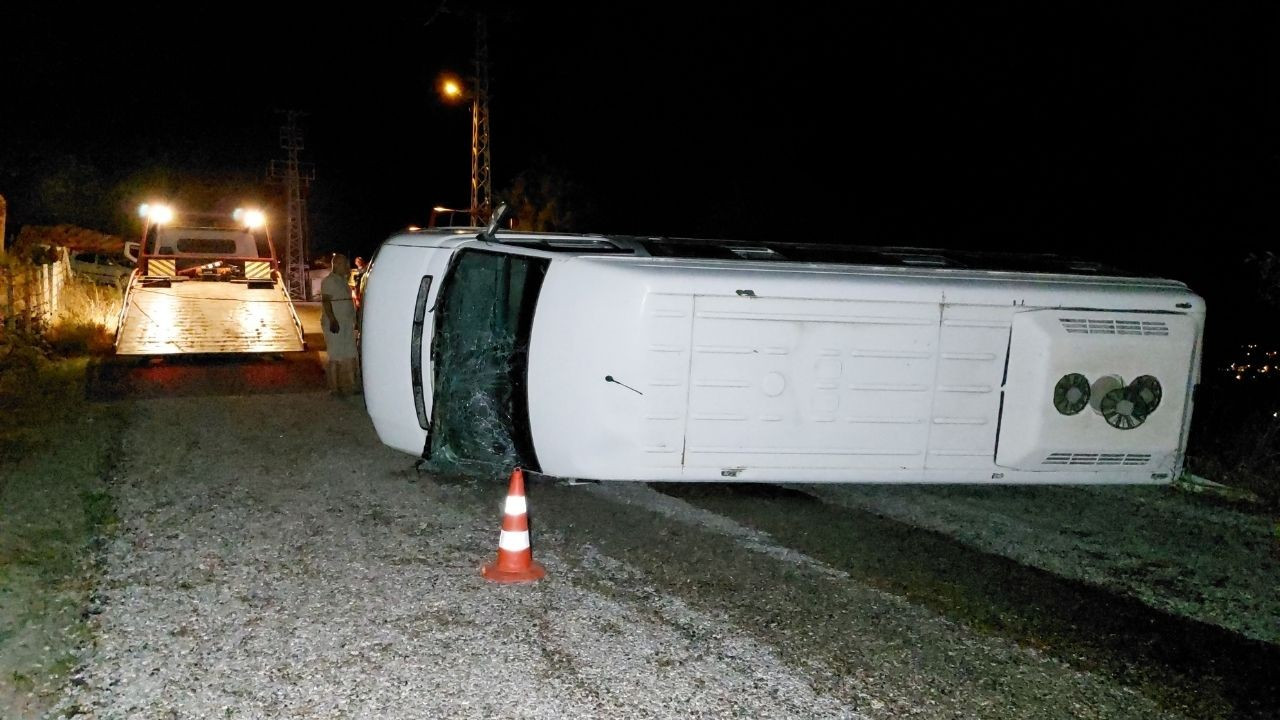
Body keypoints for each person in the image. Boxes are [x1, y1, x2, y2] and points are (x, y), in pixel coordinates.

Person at [321, 253, 359, 395]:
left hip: (347, 323)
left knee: (350, 354)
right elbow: (326, 301)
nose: (347, 267)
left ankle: (351, 385)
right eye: (344, 264)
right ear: (336, 264)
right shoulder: (329, 281)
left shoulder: (343, 281)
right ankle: (334, 388)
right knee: (335, 356)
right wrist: (332, 319)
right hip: (335, 324)